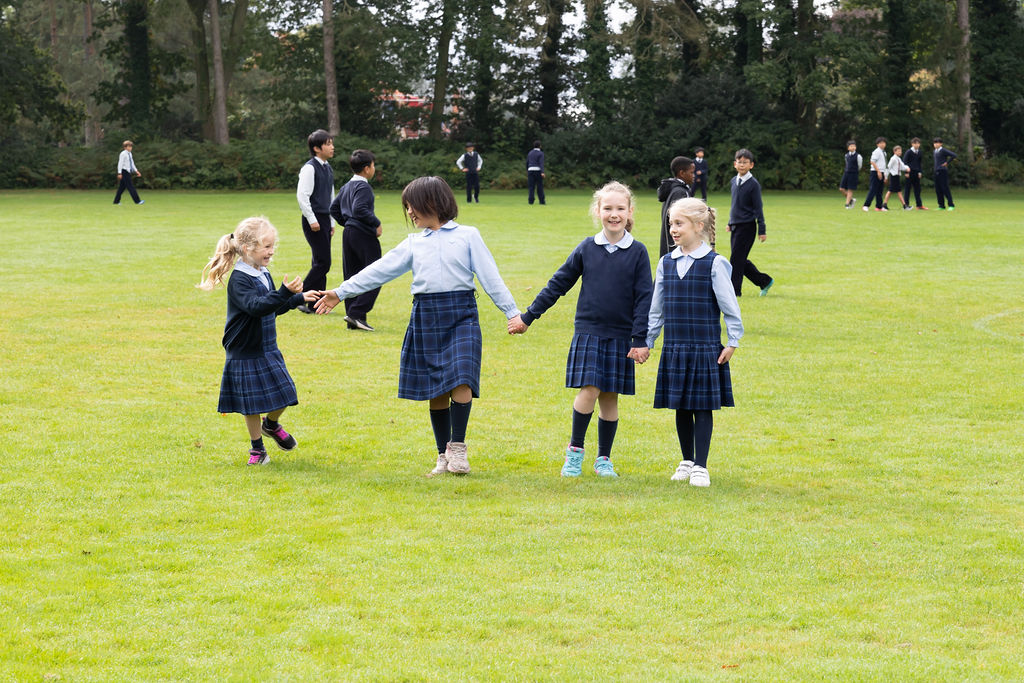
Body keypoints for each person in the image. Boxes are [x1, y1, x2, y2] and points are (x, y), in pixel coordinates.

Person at [314, 177, 520, 477]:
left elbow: (490, 276)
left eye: (412, 205)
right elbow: (378, 271)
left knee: (462, 379)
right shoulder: (414, 243)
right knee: (435, 390)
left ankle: (458, 447)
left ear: (434, 203)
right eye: (406, 207)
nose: (409, 212)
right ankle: (442, 455)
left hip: (462, 314)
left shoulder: (467, 236)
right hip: (426, 315)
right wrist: (340, 292)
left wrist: (512, 312)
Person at [507, 181, 653, 478]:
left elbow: (644, 299)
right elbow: (558, 284)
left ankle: (604, 460)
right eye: (608, 208)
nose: (614, 214)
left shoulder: (638, 252)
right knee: (590, 389)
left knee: (609, 397)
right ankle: (574, 453)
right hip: (589, 332)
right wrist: (528, 316)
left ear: (630, 212)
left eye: (620, 209)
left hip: (621, 335)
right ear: (597, 211)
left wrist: (641, 339)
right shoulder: (587, 248)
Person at [198, 216, 319, 465]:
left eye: (272, 245)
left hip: (267, 346)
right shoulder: (240, 279)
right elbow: (255, 307)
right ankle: (257, 449)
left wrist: (298, 298)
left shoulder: (263, 274)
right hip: (244, 347)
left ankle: (272, 425)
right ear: (247, 248)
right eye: (266, 246)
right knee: (251, 404)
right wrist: (285, 292)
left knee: (287, 392)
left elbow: (272, 308)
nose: (271, 251)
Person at [647, 198, 742, 487]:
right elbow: (657, 307)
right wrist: (649, 339)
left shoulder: (714, 264)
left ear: (698, 226)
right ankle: (687, 460)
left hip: (705, 347)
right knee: (680, 405)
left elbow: (729, 306)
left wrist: (733, 340)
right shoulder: (666, 262)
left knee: (701, 406)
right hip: (675, 346)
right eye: (671, 224)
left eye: (679, 223)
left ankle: (701, 465)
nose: (673, 230)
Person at [330, 149, 382, 331]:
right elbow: (360, 209)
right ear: (367, 168)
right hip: (364, 235)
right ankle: (357, 313)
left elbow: (334, 208)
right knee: (377, 273)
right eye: (373, 165)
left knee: (352, 275)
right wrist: (376, 223)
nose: (374, 168)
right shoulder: (364, 187)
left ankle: (353, 317)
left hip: (349, 234)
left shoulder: (346, 186)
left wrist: (348, 223)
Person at [296, 129, 336, 313]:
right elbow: (302, 196)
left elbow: (331, 196)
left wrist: (332, 222)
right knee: (323, 263)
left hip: (325, 220)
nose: (332, 147)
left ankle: (314, 304)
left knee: (319, 262)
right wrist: (312, 219)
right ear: (316, 148)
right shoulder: (309, 168)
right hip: (314, 219)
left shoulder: (327, 168)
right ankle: (299, 296)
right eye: (328, 144)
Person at [726, 149, 773, 297]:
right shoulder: (734, 181)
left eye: (745, 162)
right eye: (739, 162)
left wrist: (762, 229)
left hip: (747, 226)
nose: (741, 165)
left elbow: (758, 208)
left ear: (751, 165)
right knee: (738, 258)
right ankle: (764, 281)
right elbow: (735, 205)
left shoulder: (753, 185)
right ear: (735, 164)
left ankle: (735, 292)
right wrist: (730, 222)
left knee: (736, 259)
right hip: (735, 225)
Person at [657, 156, 694, 257]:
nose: (694, 175)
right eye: (691, 172)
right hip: (675, 243)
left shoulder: (674, 189)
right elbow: (680, 220)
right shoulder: (680, 193)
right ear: (682, 173)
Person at [113, 140, 144, 205]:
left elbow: (132, 163)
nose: (130, 148)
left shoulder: (130, 154)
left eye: (131, 146)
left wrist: (136, 171)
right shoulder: (123, 154)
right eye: (129, 146)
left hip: (128, 172)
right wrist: (119, 173)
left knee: (121, 188)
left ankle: (116, 201)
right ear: (125, 147)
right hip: (124, 172)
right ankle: (137, 201)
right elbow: (120, 164)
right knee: (131, 187)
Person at [862, 136, 887, 212]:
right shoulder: (876, 151)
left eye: (884, 143)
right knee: (873, 189)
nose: (883, 144)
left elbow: (884, 164)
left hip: (882, 172)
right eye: (881, 143)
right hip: (875, 172)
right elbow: (872, 161)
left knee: (880, 190)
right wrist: (878, 171)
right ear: (877, 144)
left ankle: (879, 206)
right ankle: (866, 205)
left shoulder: (884, 152)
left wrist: (884, 175)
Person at [883, 145, 911, 211]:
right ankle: (904, 206)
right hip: (894, 176)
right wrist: (886, 176)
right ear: (894, 152)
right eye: (898, 151)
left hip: (897, 176)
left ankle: (884, 204)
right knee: (896, 191)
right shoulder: (893, 159)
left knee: (892, 191)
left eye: (900, 151)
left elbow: (902, 166)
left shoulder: (898, 159)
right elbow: (888, 167)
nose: (900, 152)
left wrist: (907, 168)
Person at [933, 137, 957, 210]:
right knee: (938, 189)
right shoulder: (935, 151)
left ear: (941, 144)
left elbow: (954, 155)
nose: (936, 144)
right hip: (936, 171)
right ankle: (941, 205)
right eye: (934, 143)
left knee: (945, 188)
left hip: (942, 171)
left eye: (937, 143)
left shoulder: (943, 150)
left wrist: (947, 162)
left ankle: (951, 205)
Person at [902, 137, 927, 209]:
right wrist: (906, 172)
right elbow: (905, 162)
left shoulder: (919, 152)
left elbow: (919, 163)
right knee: (907, 189)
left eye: (918, 143)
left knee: (917, 189)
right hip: (909, 173)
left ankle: (919, 205)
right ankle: (906, 205)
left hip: (916, 173)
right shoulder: (909, 152)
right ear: (912, 144)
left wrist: (920, 172)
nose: (917, 145)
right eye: (915, 143)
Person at [839, 140, 862, 209]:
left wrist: (854, 171)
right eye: (851, 146)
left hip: (854, 173)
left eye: (854, 146)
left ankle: (847, 204)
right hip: (846, 173)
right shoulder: (846, 155)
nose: (853, 147)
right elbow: (847, 163)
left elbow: (859, 165)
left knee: (850, 189)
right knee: (841, 189)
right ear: (848, 148)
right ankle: (851, 200)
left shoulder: (858, 156)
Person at [527, 140, 546, 205]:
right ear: (540, 146)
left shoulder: (530, 153)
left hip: (530, 170)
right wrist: (542, 172)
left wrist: (527, 170)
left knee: (531, 187)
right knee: (539, 186)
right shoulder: (541, 153)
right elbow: (541, 163)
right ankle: (541, 201)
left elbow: (527, 162)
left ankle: (531, 201)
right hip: (537, 171)